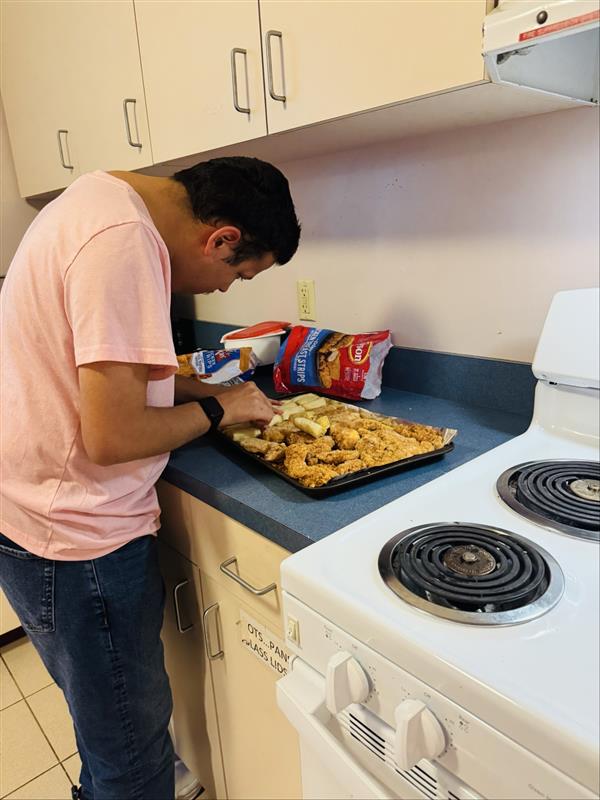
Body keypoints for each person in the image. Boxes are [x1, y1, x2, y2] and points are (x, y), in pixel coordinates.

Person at [0, 157, 301, 800]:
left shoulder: (96, 201)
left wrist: (215, 391)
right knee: (133, 767)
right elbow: (112, 437)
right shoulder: (123, 243)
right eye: (235, 274)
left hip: (38, 521)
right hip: (80, 542)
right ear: (220, 238)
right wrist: (219, 409)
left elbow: (124, 382)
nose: (223, 292)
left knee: (109, 739)